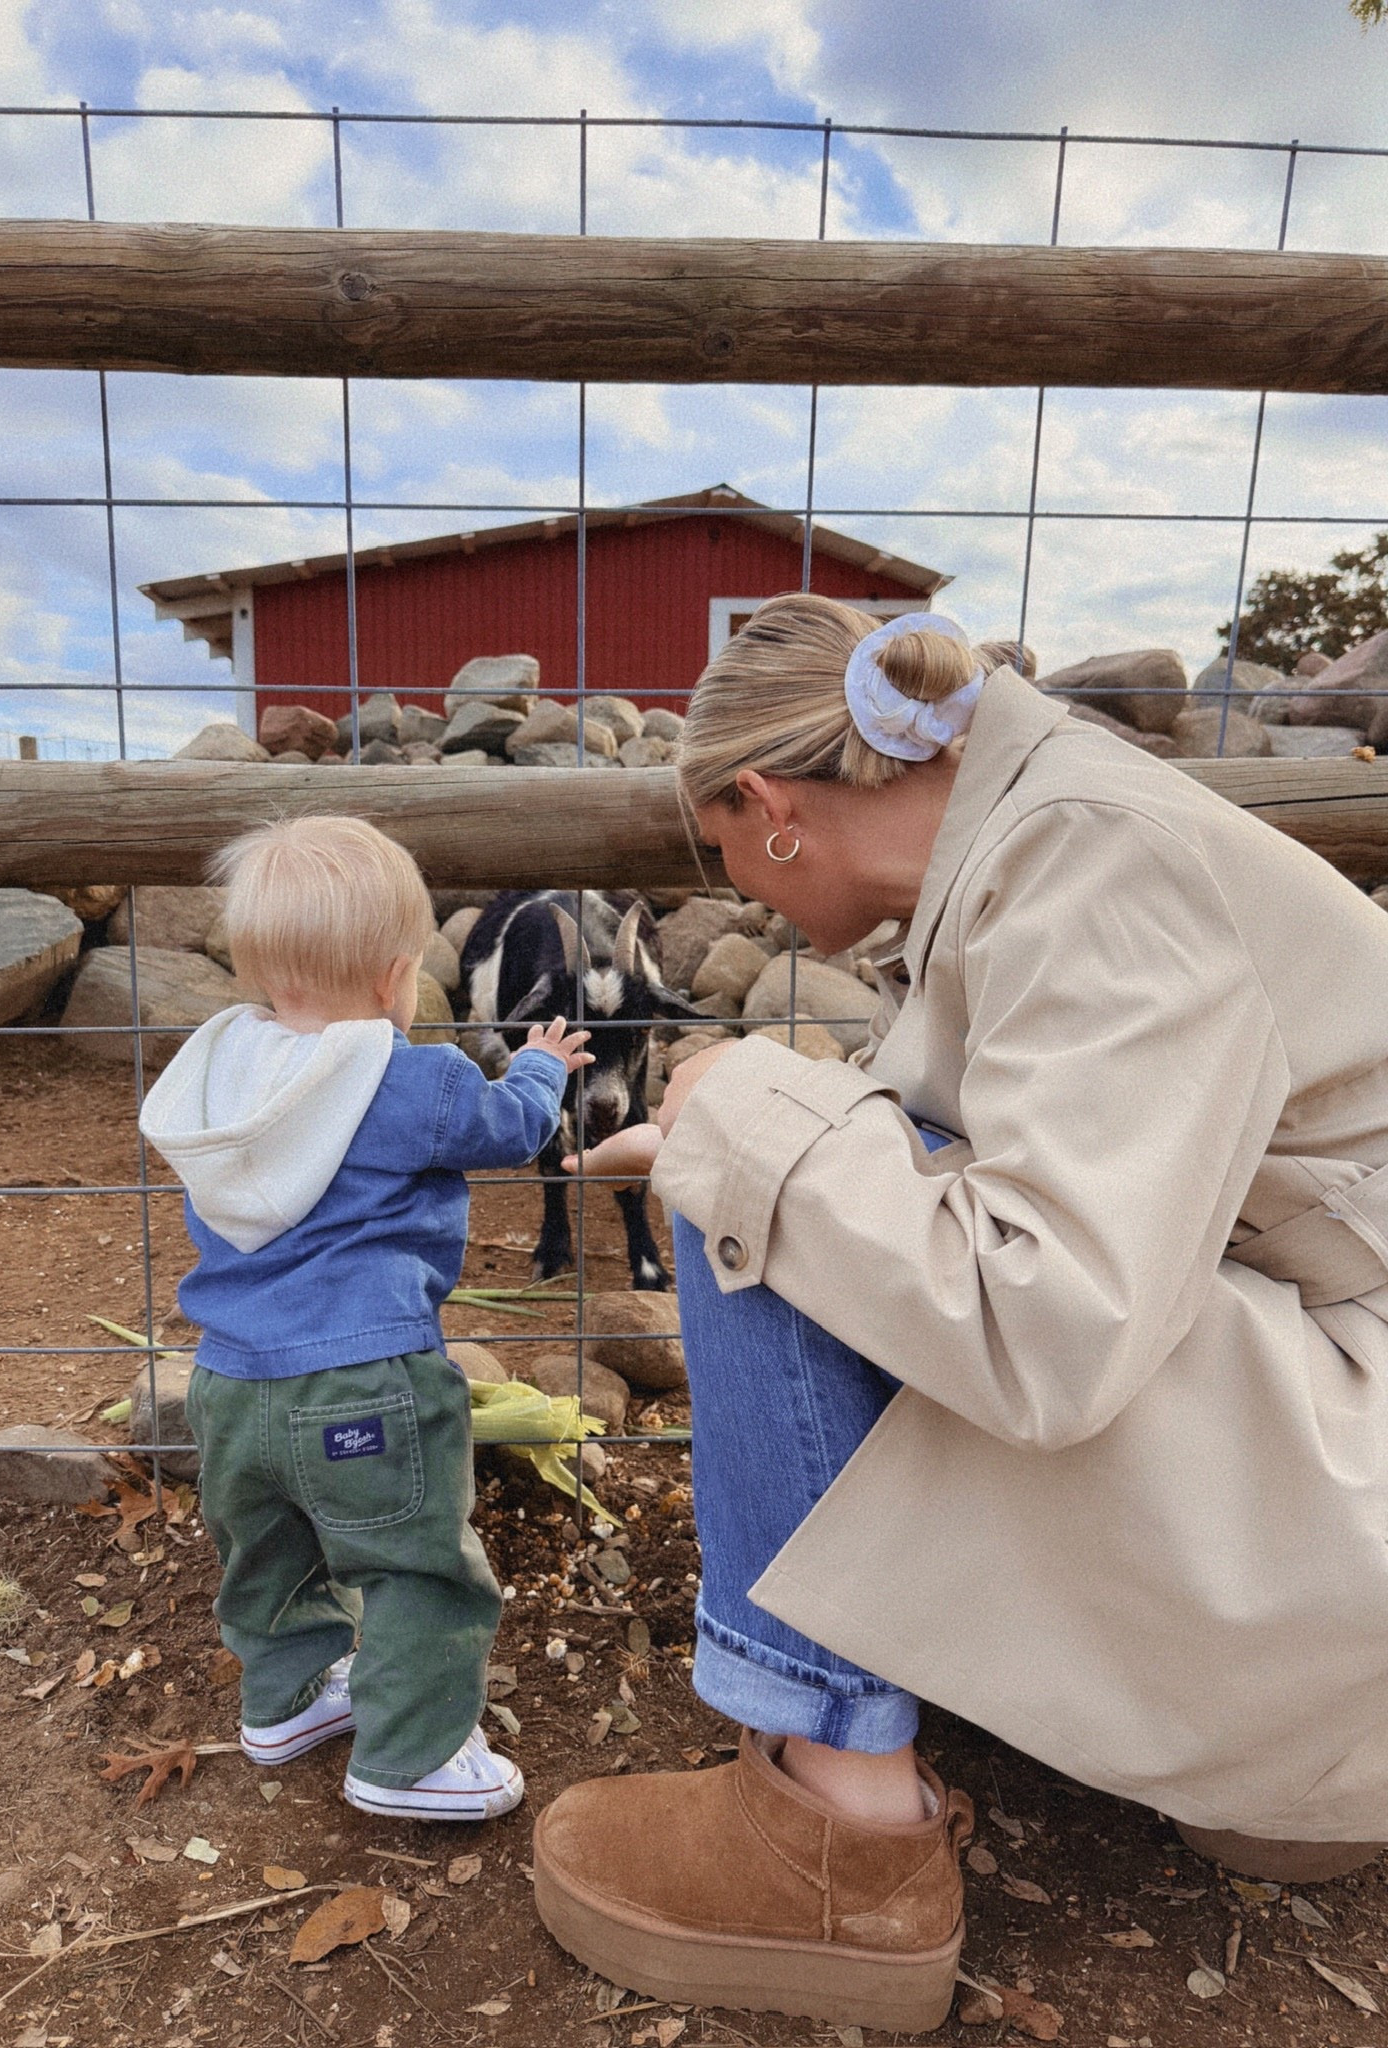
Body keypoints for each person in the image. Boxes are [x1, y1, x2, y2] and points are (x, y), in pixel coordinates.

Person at [534, 597, 1388, 2033]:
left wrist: (735, 1127)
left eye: (715, 847)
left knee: (762, 1159)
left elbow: (1053, 1323)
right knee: (785, 1145)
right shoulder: (1049, 834)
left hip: (1356, 1502)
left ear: (769, 807)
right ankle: (1281, 1774)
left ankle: (837, 1828)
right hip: (1341, 1457)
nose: (731, 887)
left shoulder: (1097, 860)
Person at [140, 815, 592, 1821]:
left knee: (268, 1551)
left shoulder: (218, 1074)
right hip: (364, 1381)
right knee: (414, 1560)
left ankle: (287, 1696)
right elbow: (513, 1129)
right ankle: (412, 1755)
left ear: (255, 966)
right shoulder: (404, 1075)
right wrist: (541, 1067)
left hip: (226, 1383)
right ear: (396, 976)